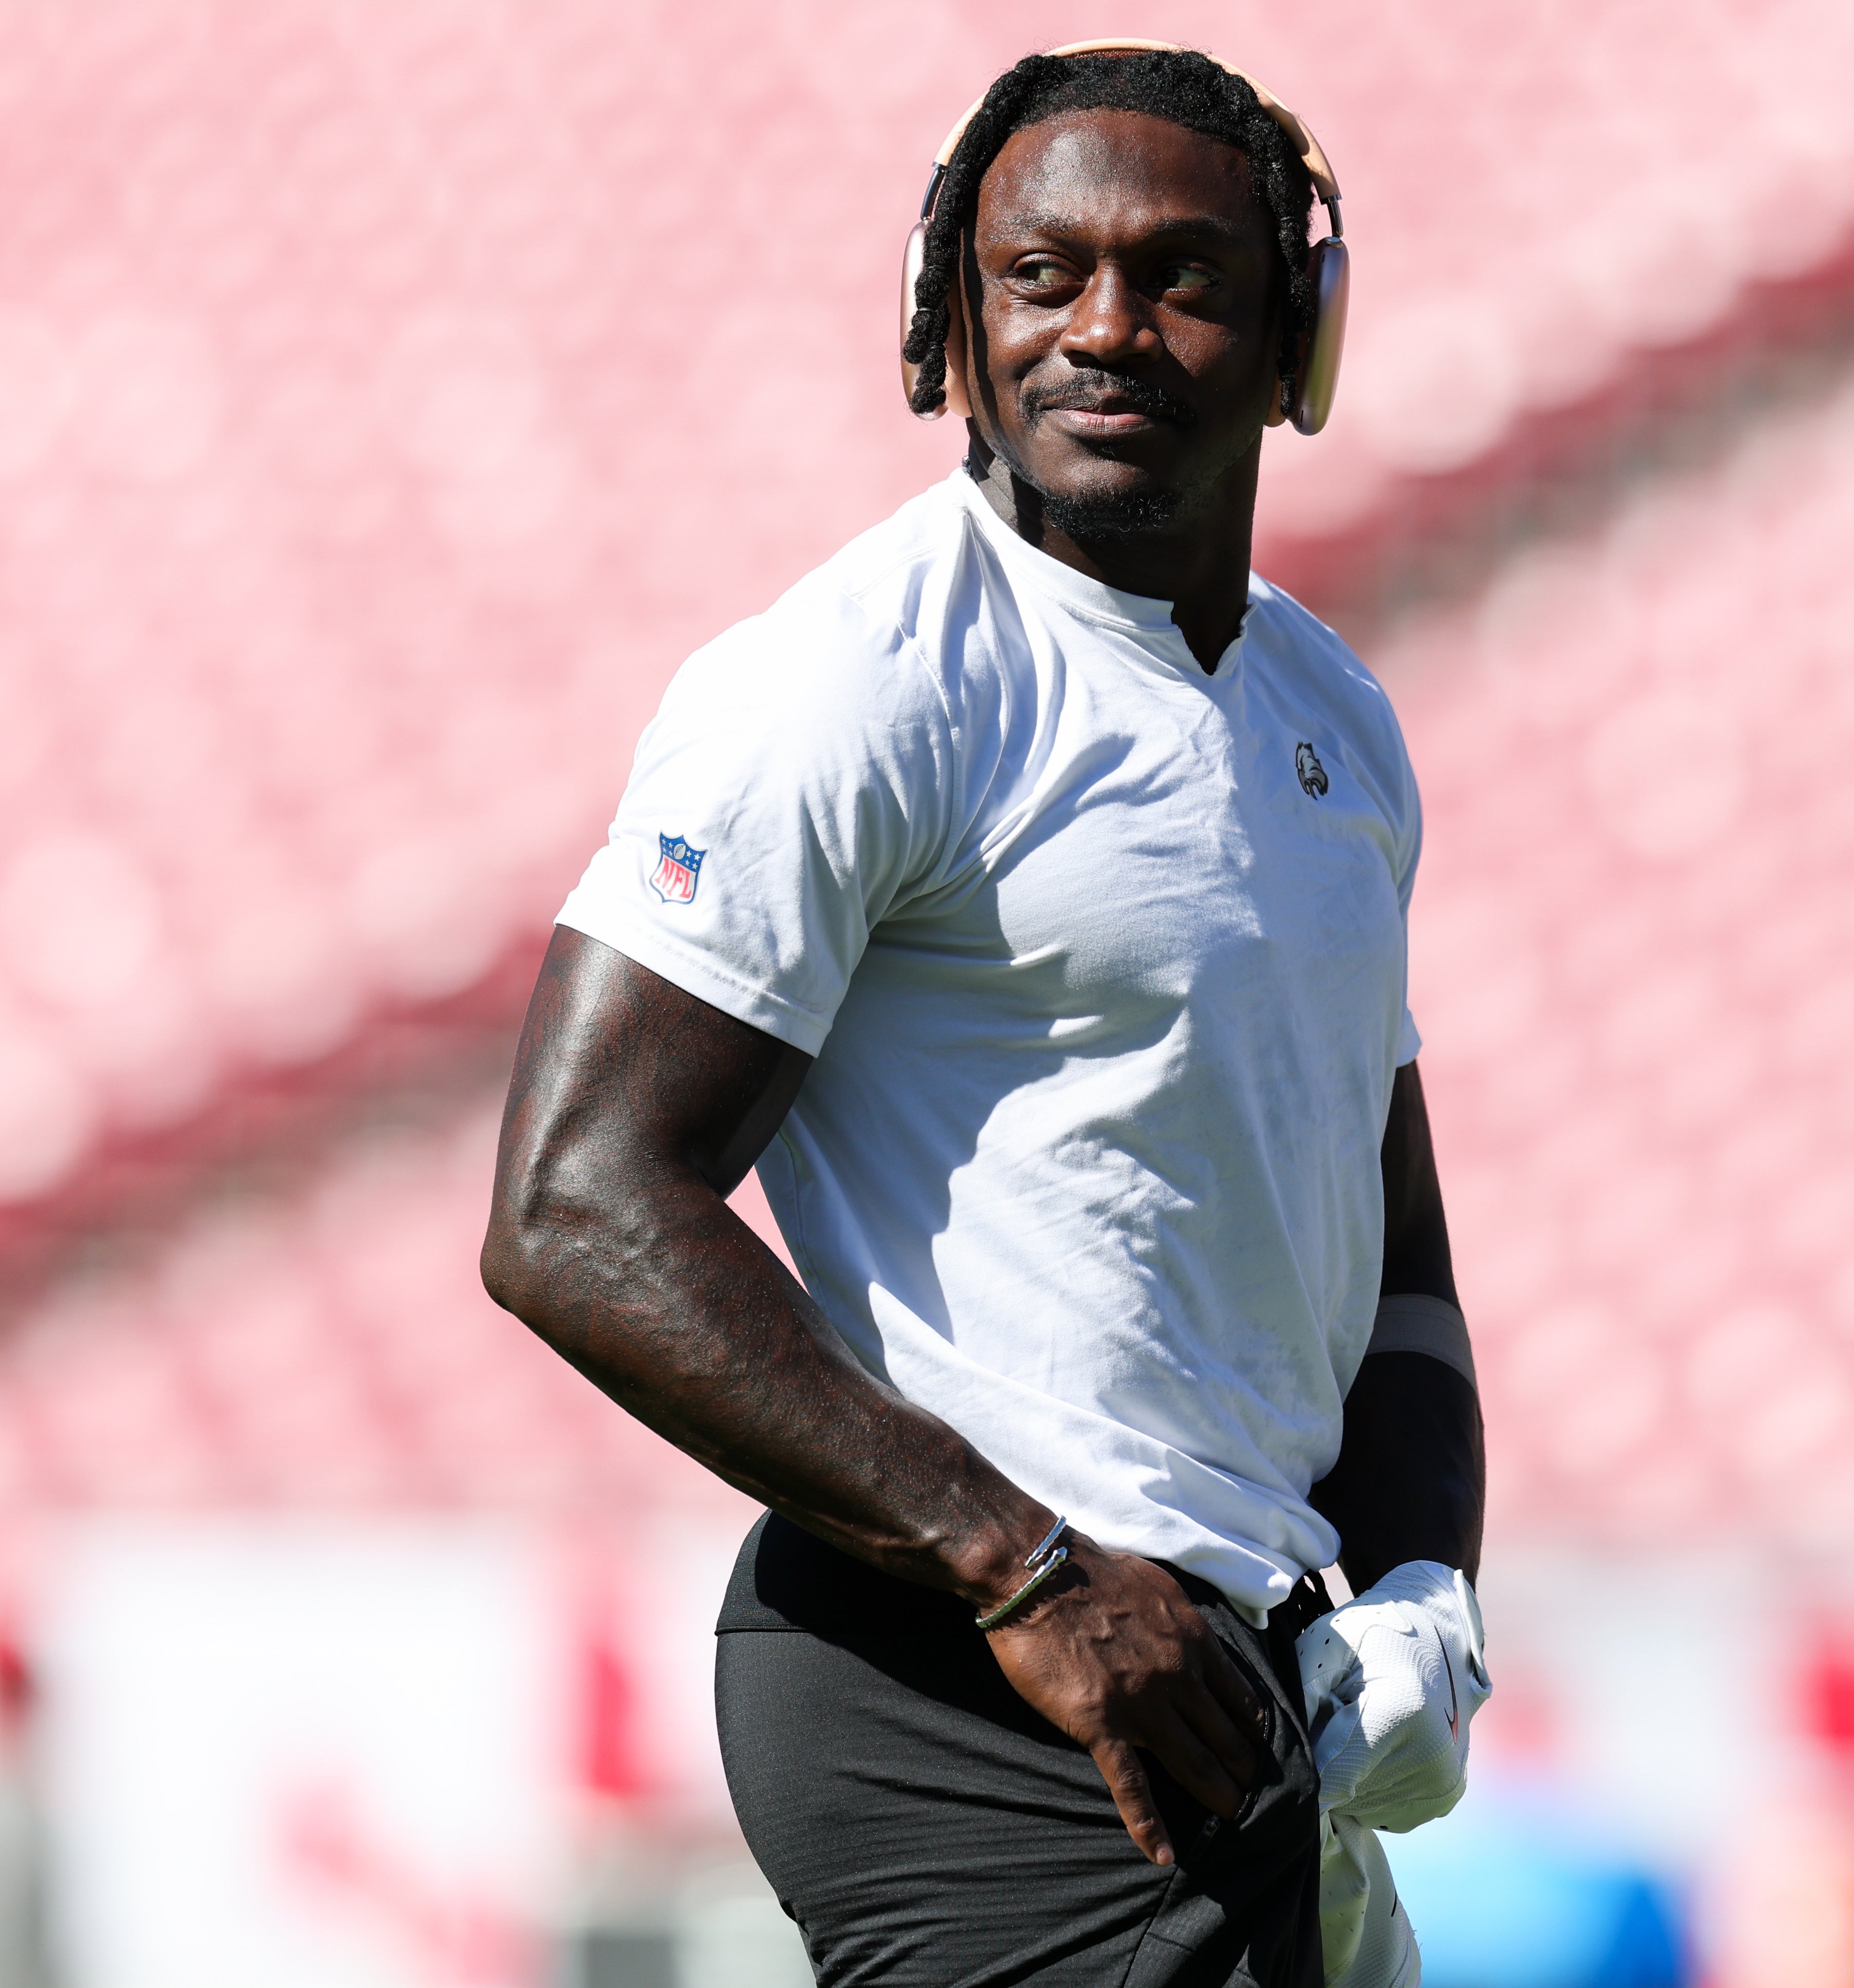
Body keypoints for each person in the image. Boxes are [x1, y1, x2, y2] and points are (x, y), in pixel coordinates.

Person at [482, 43, 1485, 1988]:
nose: (1103, 330)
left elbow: (1404, 1261)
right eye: (1042, 275)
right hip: (975, 1677)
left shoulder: (1333, 722)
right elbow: (576, 1203)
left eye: (1183, 277)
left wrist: (1428, 1575)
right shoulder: (858, 679)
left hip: (1225, 1676)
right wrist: (1019, 1566)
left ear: (1302, 334)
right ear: (949, 317)